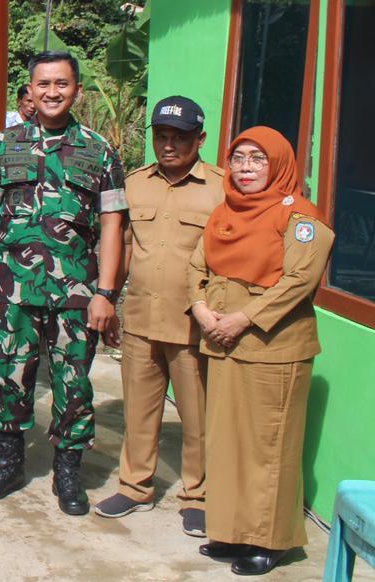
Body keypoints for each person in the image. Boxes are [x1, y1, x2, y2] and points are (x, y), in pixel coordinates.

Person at [0, 50, 127, 515]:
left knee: (73, 384)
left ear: (76, 89)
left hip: (76, 293)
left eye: (62, 84)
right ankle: (10, 463)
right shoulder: (2, 147)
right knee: (10, 376)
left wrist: (106, 294)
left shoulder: (99, 150)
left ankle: (67, 473)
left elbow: (113, 225)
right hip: (12, 289)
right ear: (29, 90)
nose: (53, 93)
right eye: (44, 84)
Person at [188, 127, 333, 576]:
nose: (245, 168)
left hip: (273, 346)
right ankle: (231, 531)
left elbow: (299, 281)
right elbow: (198, 264)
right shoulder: (224, 213)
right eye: (238, 158)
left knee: (268, 447)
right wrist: (200, 308)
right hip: (222, 340)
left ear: (280, 165)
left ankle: (270, 540)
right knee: (228, 443)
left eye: (257, 159)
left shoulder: (301, 218)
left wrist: (242, 318)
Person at [94, 96, 225, 536]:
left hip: (193, 326)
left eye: (180, 138)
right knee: (140, 412)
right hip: (141, 319)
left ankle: (198, 495)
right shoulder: (135, 184)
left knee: (198, 418)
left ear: (199, 139)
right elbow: (125, 247)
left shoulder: (221, 189)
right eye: (162, 136)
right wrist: (108, 300)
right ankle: (135, 486)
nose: (169, 145)